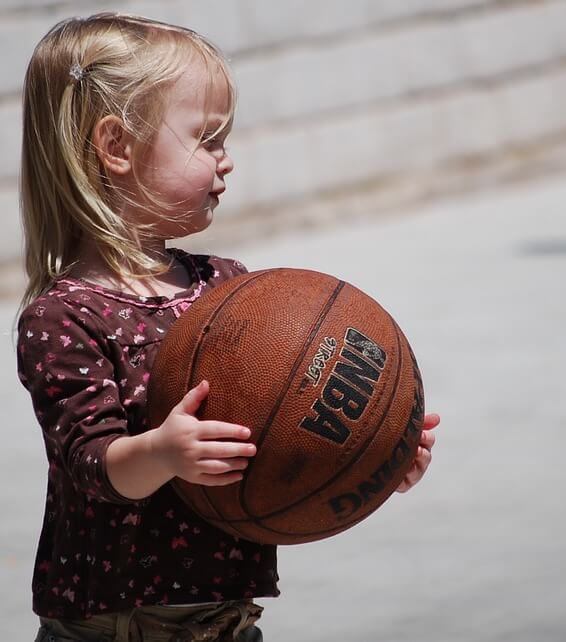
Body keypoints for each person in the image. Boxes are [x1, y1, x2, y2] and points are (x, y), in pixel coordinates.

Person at [16, 13, 439, 642]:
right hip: (115, 622)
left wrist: (372, 450)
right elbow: (93, 465)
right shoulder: (63, 316)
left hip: (223, 618)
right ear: (117, 147)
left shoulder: (225, 287)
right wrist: (163, 451)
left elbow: (276, 436)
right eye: (207, 138)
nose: (227, 160)